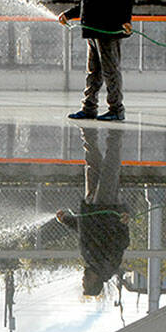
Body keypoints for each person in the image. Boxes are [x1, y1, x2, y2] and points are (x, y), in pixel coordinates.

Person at [57, 0, 133, 121]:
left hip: (106, 32)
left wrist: (125, 21)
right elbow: (86, 5)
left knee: (110, 71)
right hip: (93, 32)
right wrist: (69, 15)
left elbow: (125, 1)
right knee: (93, 72)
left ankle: (116, 109)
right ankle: (89, 107)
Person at [56, 127, 129, 296]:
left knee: (92, 165)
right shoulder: (108, 266)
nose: (82, 279)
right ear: (94, 282)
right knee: (109, 170)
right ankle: (115, 131)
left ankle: (88, 131)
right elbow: (122, 242)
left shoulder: (91, 261)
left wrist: (66, 220)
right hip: (106, 208)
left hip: (91, 207)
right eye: (85, 283)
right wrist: (123, 223)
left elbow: (86, 230)